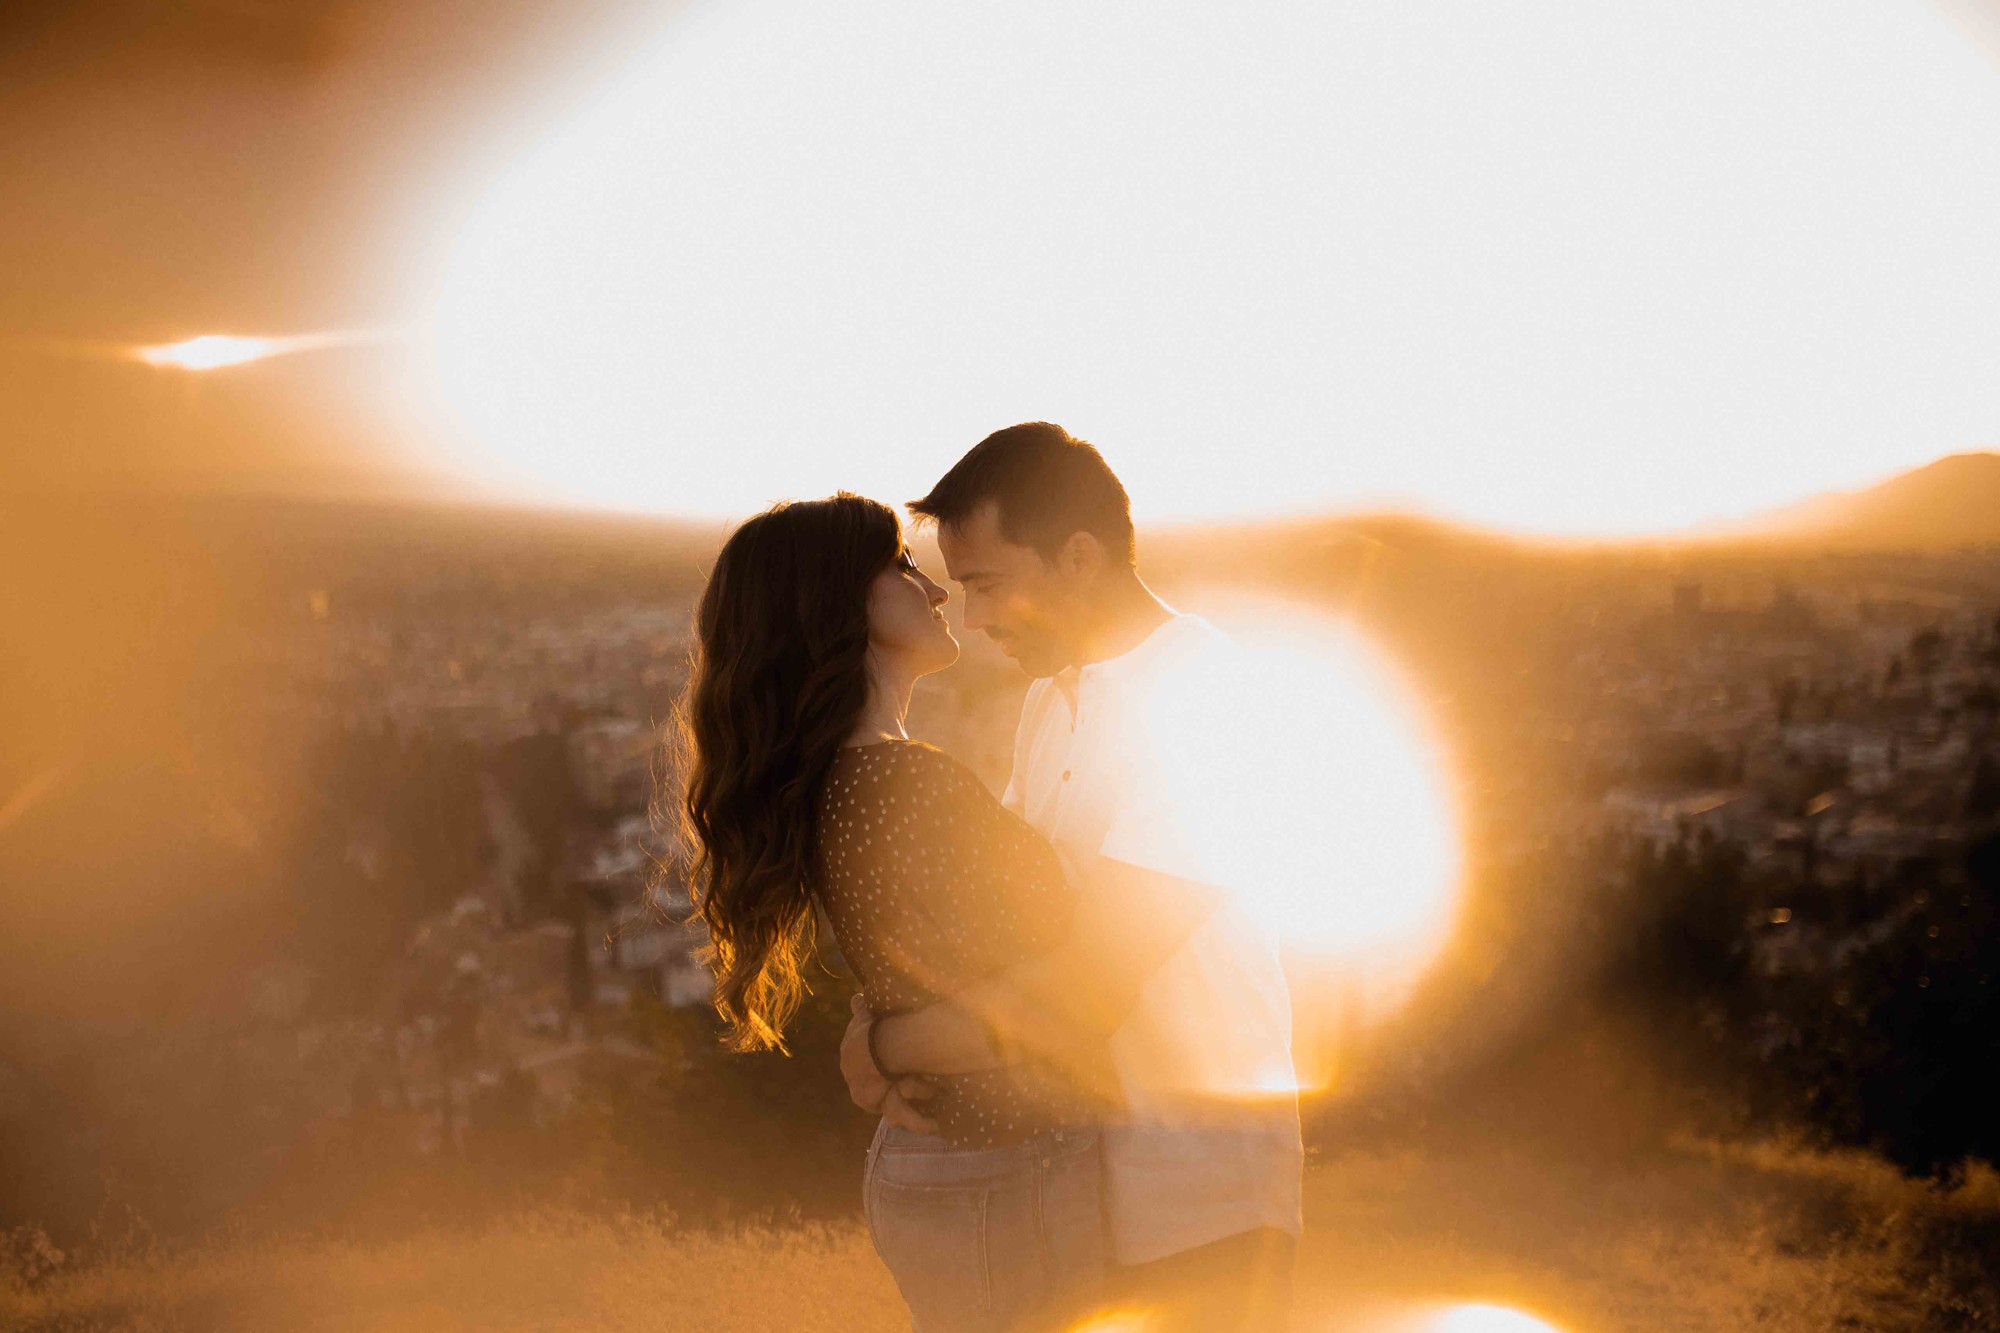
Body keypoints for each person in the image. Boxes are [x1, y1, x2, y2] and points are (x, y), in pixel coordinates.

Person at [841, 423, 1305, 1332]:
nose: (972, 620)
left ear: (1080, 557)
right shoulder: (1051, 706)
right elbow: (997, 934)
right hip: (1070, 1189)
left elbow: (1085, 988)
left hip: (1198, 1200)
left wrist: (886, 1048)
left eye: (987, 585)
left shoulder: (1210, 703)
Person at [672, 492, 1109, 1333]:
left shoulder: (849, 780)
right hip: (1002, 1166)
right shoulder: (904, 785)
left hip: (955, 1157)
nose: (937, 589)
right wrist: (880, 1040)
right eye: (903, 567)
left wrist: (877, 1033)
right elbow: (1050, 995)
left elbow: (937, 968)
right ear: (840, 604)